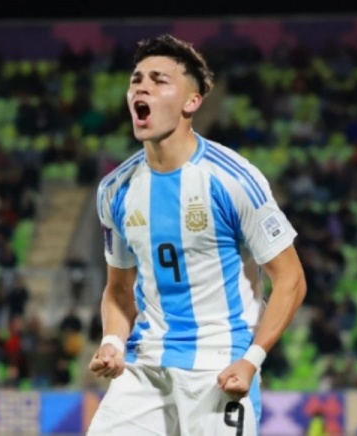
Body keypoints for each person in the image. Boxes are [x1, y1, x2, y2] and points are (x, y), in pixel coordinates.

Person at [87, 34, 307, 436]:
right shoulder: (114, 190)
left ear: (191, 102)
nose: (142, 87)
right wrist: (113, 343)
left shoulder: (233, 179)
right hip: (145, 366)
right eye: (137, 79)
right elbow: (119, 290)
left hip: (219, 366)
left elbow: (290, 279)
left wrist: (252, 360)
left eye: (159, 80)